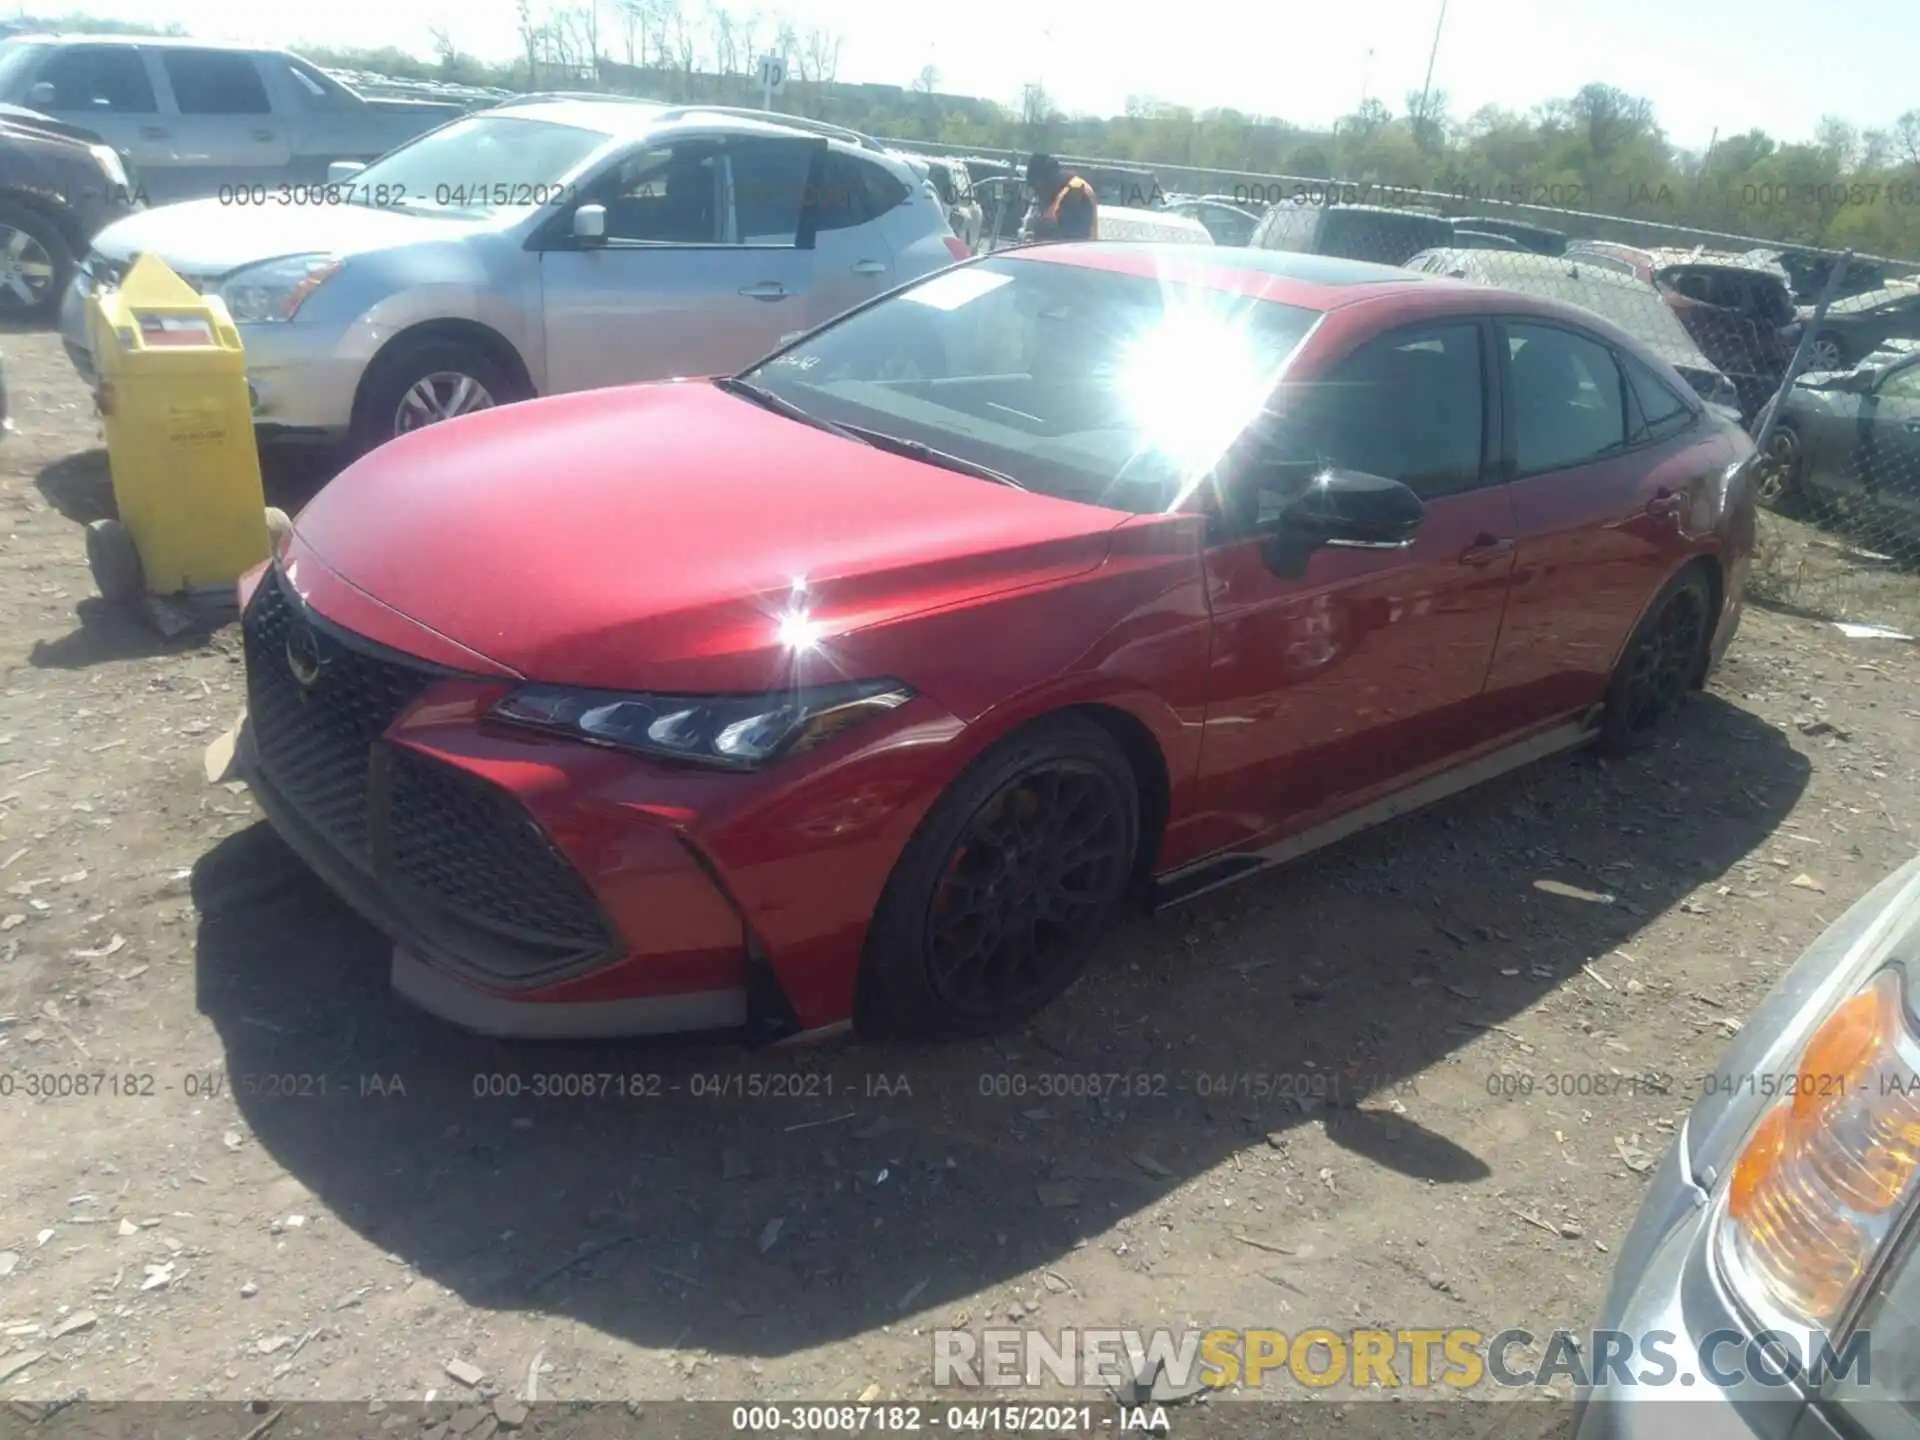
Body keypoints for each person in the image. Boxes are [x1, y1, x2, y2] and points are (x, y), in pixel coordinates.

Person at [1022, 154, 1098, 242]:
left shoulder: (1075, 192)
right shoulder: (1051, 193)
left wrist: (1040, 230)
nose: (1037, 194)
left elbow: (1074, 237)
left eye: (1037, 188)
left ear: (1049, 181)